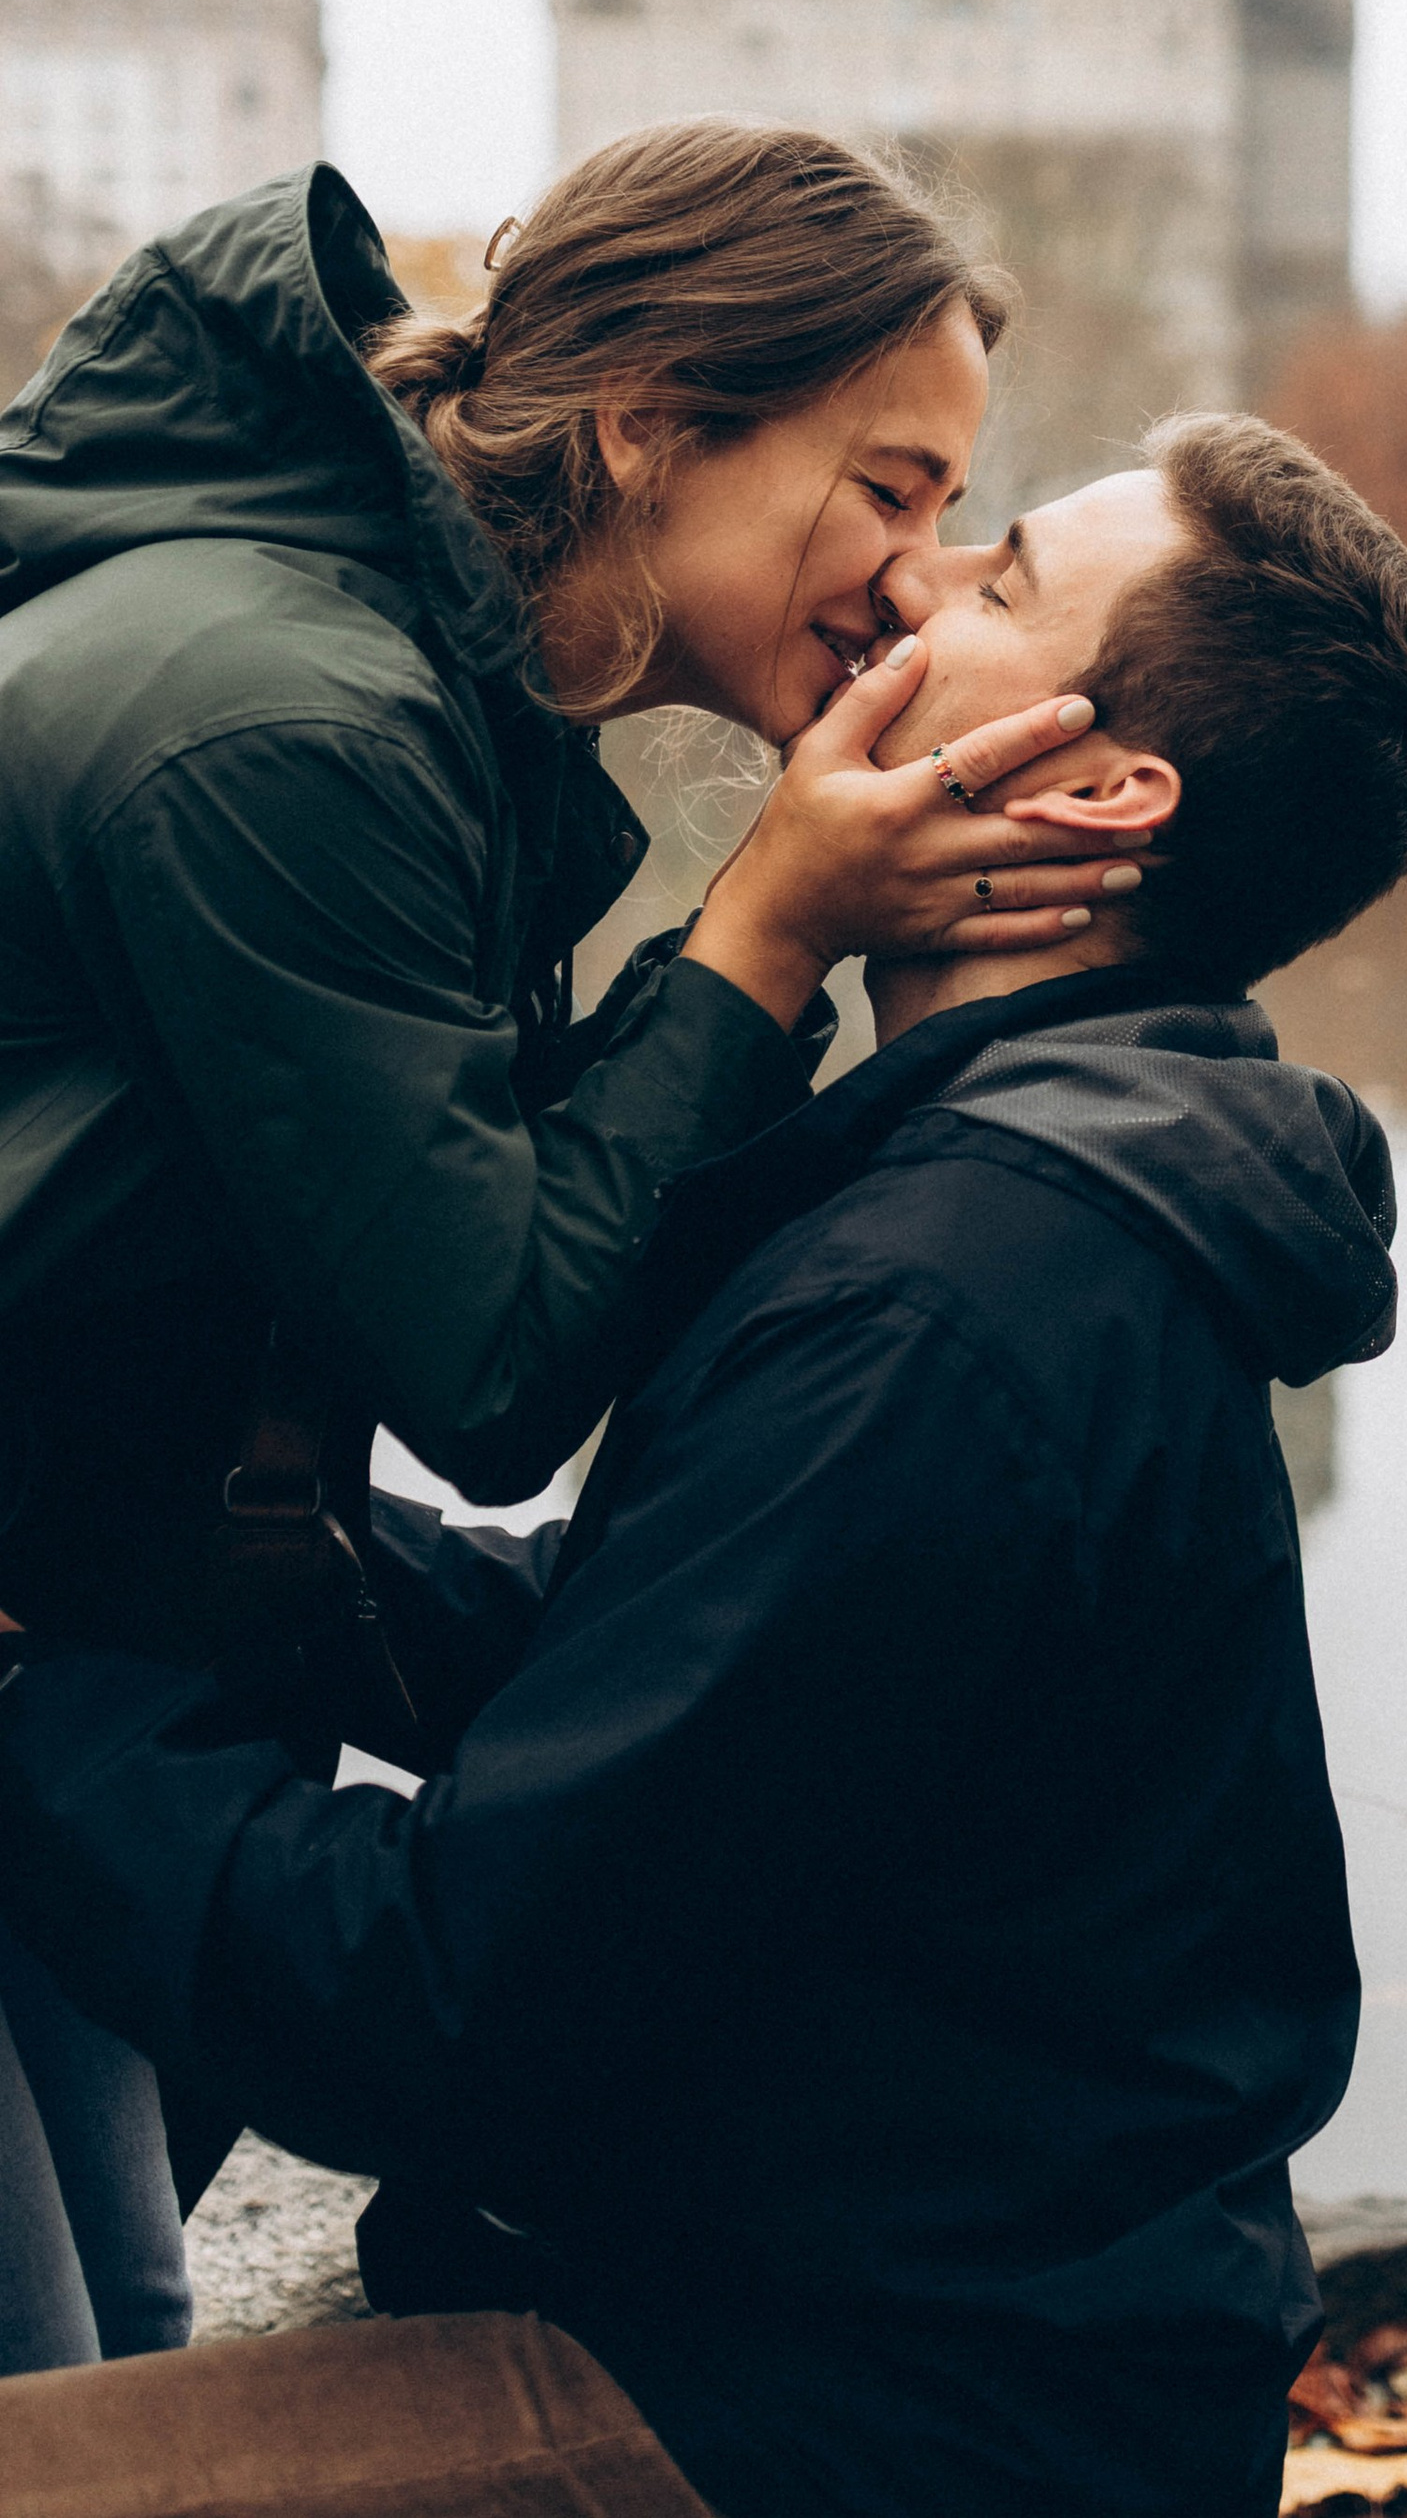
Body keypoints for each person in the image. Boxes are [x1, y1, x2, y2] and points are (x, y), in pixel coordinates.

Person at [0, 412, 1407, 2518]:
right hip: (891, 2350)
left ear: (1092, 786)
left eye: (1003, 577)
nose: (910, 585)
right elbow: (692, 1690)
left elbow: (433, 2003)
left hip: (846, 2426)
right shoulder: (1030, 1191)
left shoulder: (962, 1302)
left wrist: (33, 1709)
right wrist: (226, 1553)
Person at [0, 126, 1122, 2377]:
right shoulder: (284, 718)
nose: (914, 582)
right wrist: (766, 924)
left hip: (62, 1611)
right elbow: (490, 1357)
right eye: (888, 489)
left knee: (108, 2325)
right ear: (649, 426)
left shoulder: (400, 680)